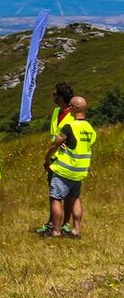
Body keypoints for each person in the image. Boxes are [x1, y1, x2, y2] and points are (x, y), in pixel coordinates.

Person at [43, 96, 96, 238]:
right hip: (80, 170)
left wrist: (47, 159)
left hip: (65, 169)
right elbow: (84, 144)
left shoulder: (70, 126)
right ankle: (76, 229)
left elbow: (55, 144)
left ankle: (56, 230)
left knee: (55, 198)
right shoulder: (89, 128)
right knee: (75, 198)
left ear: (74, 108)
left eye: (70, 106)